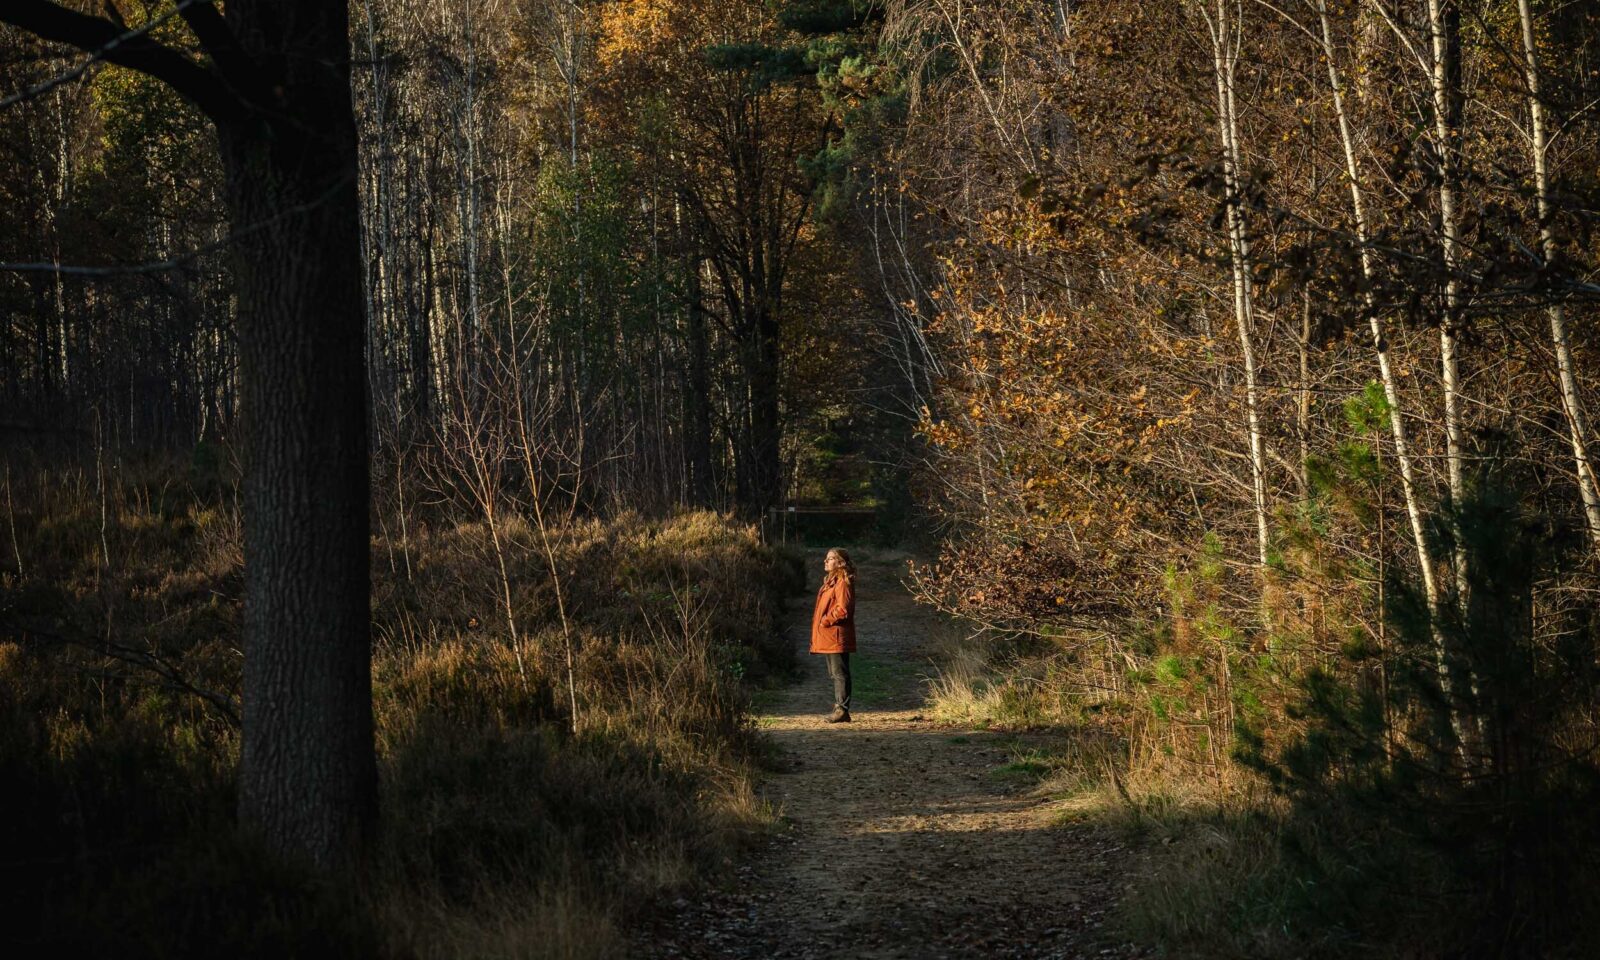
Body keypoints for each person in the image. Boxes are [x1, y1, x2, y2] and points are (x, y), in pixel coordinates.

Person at [810, 547, 857, 723]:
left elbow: (843, 609)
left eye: (830, 558)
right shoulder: (832, 581)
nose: (825, 561)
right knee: (835, 673)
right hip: (830, 636)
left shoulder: (842, 582)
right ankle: (840, 708)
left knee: (839, 673)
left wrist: (826, 621)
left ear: (840, 562)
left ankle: (842, 710)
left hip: (835, 635)